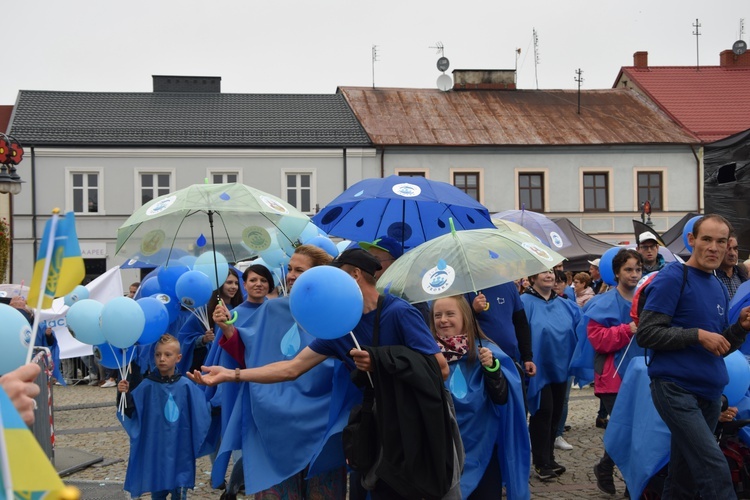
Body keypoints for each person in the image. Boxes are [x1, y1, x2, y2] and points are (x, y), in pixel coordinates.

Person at [192, 248, 458, 500]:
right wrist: (232, 374)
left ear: (354, 275)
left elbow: (440, 369)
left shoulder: (399, 312)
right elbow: (290, 368)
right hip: (377, 429)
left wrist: (380, 360)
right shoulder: (338, 327)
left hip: (413, 423)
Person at [212, 245, 348, 498]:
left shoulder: (337, 314)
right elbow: (251, 351)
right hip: (275, 421)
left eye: (300, 270)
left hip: (321, 421)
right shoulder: (272, 309)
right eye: (290, 269)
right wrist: (227, 328)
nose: (291, 275)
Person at [636, 214, 750, 499]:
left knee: (683, 476)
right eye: (707, 240)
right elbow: (647, 334)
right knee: (714, 466)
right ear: (692, 241)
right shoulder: (673, 277)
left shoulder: (719, 287)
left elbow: (722, 345)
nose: (714, 247)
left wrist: (739, 328)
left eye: (721, 241)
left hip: (710, 393)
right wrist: (697, 334)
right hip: (675, 389)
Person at [429, 295, 529, 499]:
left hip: (484, 444)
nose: (443, 320)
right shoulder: (427, 356)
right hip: (444, 450)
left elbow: (502, 399)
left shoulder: (487, 352)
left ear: (465, 317)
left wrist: (492, 369)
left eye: (450, 314)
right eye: (438, 315)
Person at [202, 264, 274, 497]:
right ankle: (235, 486)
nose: (258, 284)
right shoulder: (233, 315)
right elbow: (229, 353)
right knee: (245, 438)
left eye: (263, 280)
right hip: (241, 383)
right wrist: (224, 326)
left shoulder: (276, 311)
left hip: (271, 382)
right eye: (253, 280)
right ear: (245, 284)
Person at [117, 334, 212, 499]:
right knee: (157, 491)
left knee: (179, 490)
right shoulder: (146, 386)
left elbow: (202, 412)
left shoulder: (186, 386)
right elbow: (131, 411)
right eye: (158, 354)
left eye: (168, 355)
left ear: (178, 358)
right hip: (156, 451)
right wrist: (123, 395)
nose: (162, 359)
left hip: (180, 451)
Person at [588, 249, 644, 495]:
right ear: (617, 272)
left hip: (641, 374)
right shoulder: (602, 303)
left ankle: (606, 467)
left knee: (634, 430)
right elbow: (597, 340)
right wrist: (626, 330)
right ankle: (631, 485)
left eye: (638, 269)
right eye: (629, 269)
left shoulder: (645, 300)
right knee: (626, 430)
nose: (634, 274)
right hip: (613, 377)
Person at [521, 270, 581, 481]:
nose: (549, 275)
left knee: (556, 412)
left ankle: (550, 457)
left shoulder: (566, 304)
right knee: (543, 411)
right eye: (543, 272)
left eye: (550, 271)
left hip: (561, 367)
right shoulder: (523, 304)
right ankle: (540, 462)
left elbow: (579, 330)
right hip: (537, 370)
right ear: (532, 277)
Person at [177, 268, 243, 375]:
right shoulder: (204, 310)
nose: (234, 287)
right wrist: (203, 339)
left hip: (235, 362)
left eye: (236, 283)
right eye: (229, 283)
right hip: (210, 364)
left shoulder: (240, 309)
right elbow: (184, 337)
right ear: (220, 285)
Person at [468, 282, 536, 376]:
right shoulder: (465, 291)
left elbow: (521, 324)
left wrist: (527, 357)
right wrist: (473, 310)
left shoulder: (509, 285)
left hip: (511, 359)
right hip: (482, 361)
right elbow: (459, 327)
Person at [716, 234, 748, 300]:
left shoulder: (741, 277)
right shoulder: (712, 277)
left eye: (735, 248)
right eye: (728, 249)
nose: (733, 253)